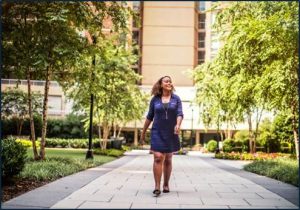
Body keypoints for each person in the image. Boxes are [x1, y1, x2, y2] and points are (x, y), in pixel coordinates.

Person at [140, 76, 183, 197]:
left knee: (168, 159)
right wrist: (143, 132)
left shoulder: (176, 99)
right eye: (166, 81)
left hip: (171, 132)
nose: (169, 82)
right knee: (158, 157)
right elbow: (149, 116)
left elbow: (180, 114)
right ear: (161, 84)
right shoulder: (155, 99)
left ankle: (166, 184)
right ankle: (157, 186)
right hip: (157, 132)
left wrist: (178, 125)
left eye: (170, 81)